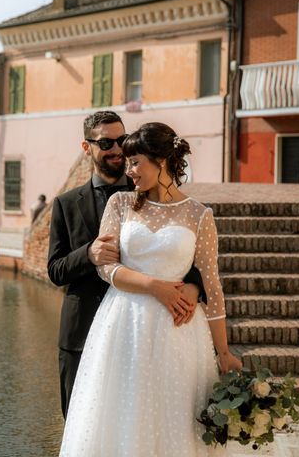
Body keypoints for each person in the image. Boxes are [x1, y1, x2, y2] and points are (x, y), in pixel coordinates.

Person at [59, 122, 242, 456]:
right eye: (128, 163)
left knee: (176, 415)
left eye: (135, 162)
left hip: (180, 334)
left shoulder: (200, 216)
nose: (129, 171)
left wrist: (224, 352)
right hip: (123, 324)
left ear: (161, 160)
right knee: (123, 413)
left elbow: (212, 287)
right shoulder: (121, 204)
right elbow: (107, 267)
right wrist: (155, 287)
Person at [47, 111, 206, 420]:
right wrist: (88, 253)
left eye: (121, 139)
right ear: (86, 148)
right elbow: (55, 269)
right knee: (81, 428)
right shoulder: (66, 204)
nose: (117, 149)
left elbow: (183, 253)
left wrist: (193, 286)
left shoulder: (153, 193)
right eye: (106, 142)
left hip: (140, 333)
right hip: (80, 335)